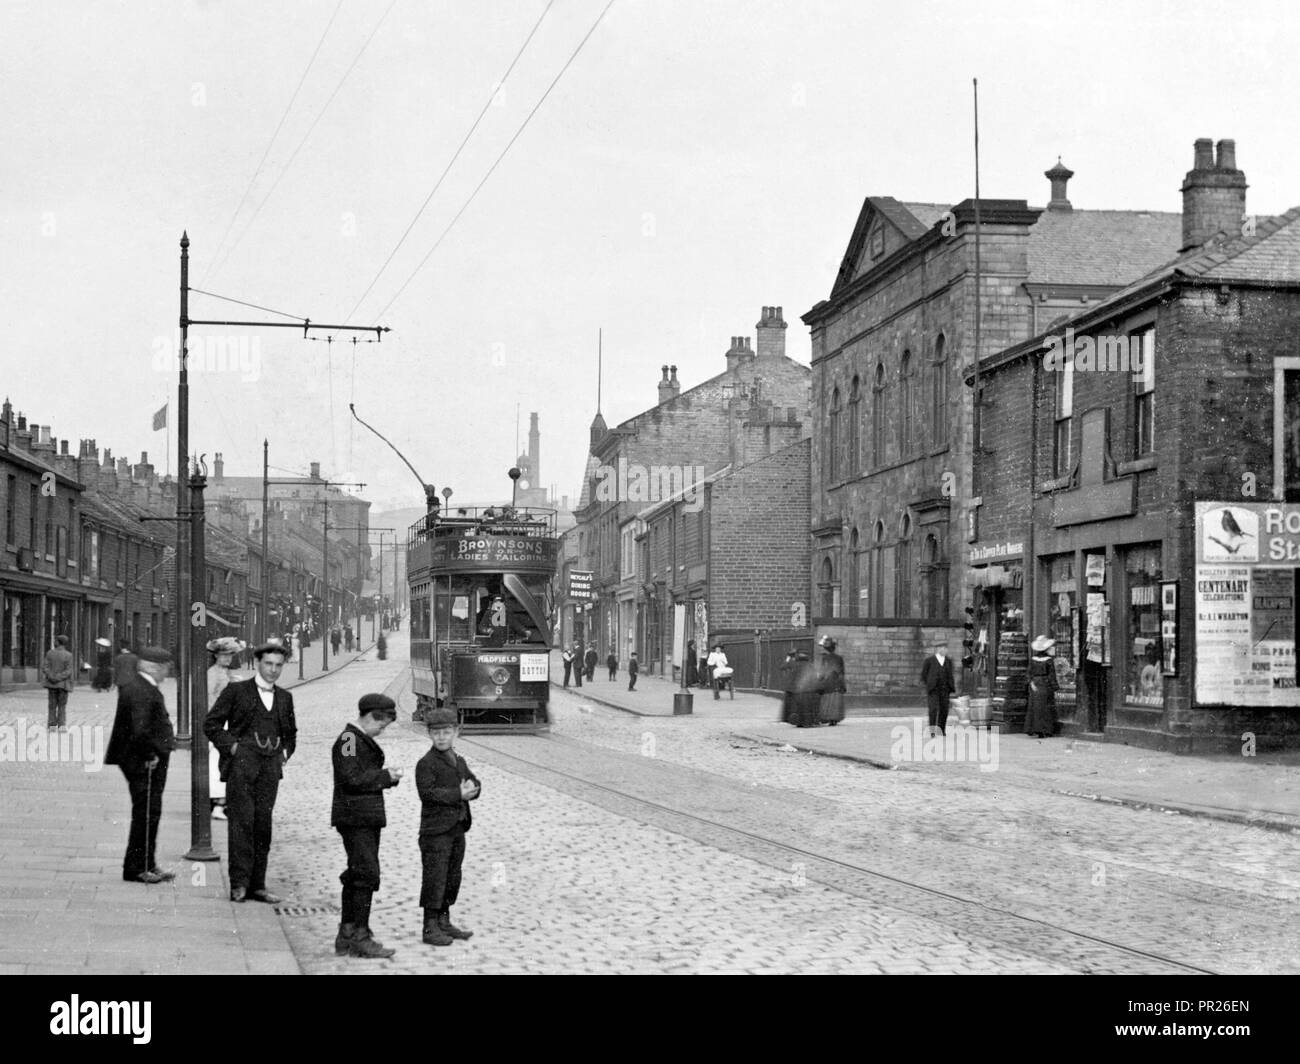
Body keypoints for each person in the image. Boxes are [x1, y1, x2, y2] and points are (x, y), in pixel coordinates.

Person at [204, 642, 297, 904]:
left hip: (269, 771)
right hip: (241, 769)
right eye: (268, 664)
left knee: (262, 827)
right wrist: (232, 747)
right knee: (241, 825)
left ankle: (258, 885)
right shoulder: (237, 691)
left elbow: (291, 734)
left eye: (278, 665)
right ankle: (239, 885)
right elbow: (211, 724)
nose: (273, 670)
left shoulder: (284, 698)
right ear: (257, 663)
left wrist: (284, 755)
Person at [331, 693, 403, 959]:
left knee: (359, 872)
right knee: (366, 873)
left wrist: (386, 778)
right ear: (371, 716)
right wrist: (386, 776)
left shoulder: (358, 739)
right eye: (381, 725)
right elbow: (350, 777)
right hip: (354, 817)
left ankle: (348, 934)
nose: (382, 731)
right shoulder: (349, 739)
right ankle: (358, 936)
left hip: (363, 817)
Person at [104, 646, 176, 884]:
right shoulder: (141, 689)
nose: (167, 672)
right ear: (154, 667)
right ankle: (136, 868)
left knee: (150, 812)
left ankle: (147, 863)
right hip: (143, 760)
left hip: (143, 759)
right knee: (145, 813)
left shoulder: (140, 686)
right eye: (166, 668)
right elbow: (140, 729)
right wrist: (150, 755)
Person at [416, 707, 481, 947]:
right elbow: (428, 793)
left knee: (452, 876)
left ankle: (444, 920)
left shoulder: (458, 760)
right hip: (435, 832)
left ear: (456, 732)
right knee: (435, 877)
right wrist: (458, 794)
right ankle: (430, 926)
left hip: (456, 829)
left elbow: (474, 781)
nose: (441, 737)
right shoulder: (426, 763)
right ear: (430, 735)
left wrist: (473, 789)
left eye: (446, 732)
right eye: (436, 733)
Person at [205, 637, 246, 820]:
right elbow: (210, 699)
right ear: (216, 656)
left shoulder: (225, 673)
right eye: (224, 656)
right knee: (219, 762)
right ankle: (219, 804)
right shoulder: (213, 674)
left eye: (230, 655)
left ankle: (221, 802)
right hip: (220, 724)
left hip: (227, 722)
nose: (228, 659)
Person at [1026, 635, 1060, 738]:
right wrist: (1055, 686)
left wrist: (1031, 683)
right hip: (1045, 683)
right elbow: (1051, 675)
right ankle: (1046, 730)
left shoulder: (1033, 659)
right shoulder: (1049, 660)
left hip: (1035, 684)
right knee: (1046, 707)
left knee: (1035, 707)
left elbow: (1029, 673)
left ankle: (1035, 729)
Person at [920, 640, 955, 736]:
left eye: (946, 648)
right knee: (933, 709)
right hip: (933, 689)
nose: (945, 650)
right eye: (943, 648)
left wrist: (950, 686)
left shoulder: (948, 661)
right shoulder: (929, 661)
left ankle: (941, 729)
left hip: (945, 689)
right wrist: (929, 684)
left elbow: (950, 674)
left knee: (944, 709)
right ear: (938, 649)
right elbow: (924, 675)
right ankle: (932, 731)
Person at [42, 634, 74, 730]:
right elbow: (69, 671)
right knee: (62, 706)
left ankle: (51, 725)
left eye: (55, 640)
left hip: (52, 684)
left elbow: (45, 667)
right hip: (63, 685)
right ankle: (61, 725)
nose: (54, 642)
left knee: (51, 705)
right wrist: (59, 677)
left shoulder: (50, 653)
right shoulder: (69, 655)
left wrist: (52, 676)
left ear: (58, 642)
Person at [817, 636, 847, 726]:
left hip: (828, 681)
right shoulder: (839, 658)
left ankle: (828, 717)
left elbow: (823, 670)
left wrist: (820, 679)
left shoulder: (825, 658)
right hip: (837, 680)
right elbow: (842, 671)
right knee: (836, 700)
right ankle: (834, 719)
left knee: (827, 699)